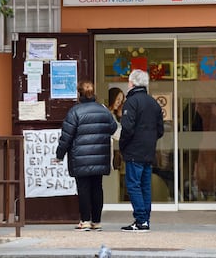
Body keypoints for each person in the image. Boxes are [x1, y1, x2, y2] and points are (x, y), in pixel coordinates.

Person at [56, 80, 117, 231]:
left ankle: (85, 221)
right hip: (100, 157)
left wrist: (59, 154)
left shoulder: (74, 112)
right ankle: (97, 221)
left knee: (83, 189)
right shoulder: (103, 110)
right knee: (97, 188)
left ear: (79, 94)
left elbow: (66, 137)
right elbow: (113, 128)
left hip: (80, 158)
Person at [119, 69, 164, 232]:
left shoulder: (131, 102)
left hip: (134, 150)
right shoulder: (153, 103)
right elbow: (160, 130)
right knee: (145, 185)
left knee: (133, 185)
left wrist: (122, 145)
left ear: (131, 83)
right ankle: (145, 219)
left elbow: (127, 128)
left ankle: (140, 219)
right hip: (148, 150)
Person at [108, 87, 125, 169]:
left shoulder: (114, 115)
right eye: (118, 99)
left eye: (121, 100)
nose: (119, 102)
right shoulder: (107, 114)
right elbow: (118, 134)